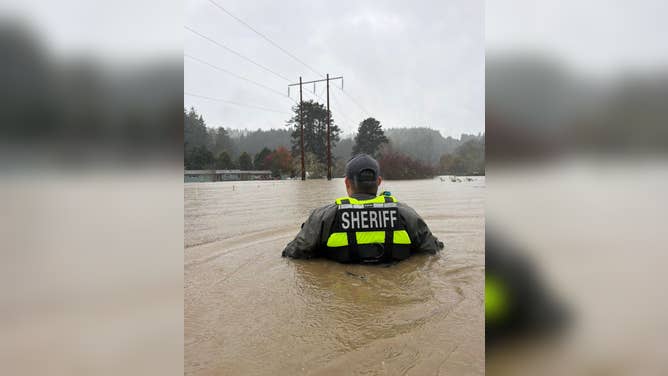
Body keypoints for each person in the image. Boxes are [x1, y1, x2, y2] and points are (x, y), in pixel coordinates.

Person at [282, 154, 444, 263]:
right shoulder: (407, 214)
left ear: (346, 182)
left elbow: (291, 254)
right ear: (379, 181)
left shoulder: (322, 217)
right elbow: (433, 250)